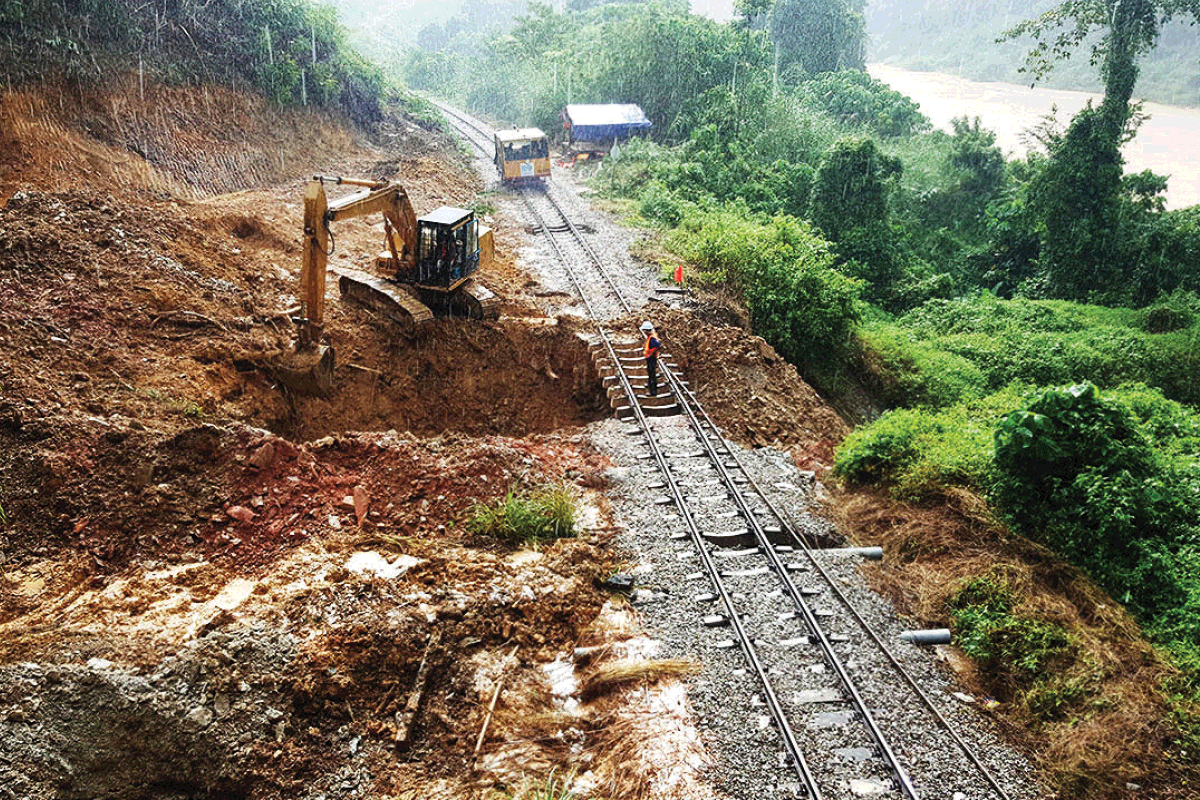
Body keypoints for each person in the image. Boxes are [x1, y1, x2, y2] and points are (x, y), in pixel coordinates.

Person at [641, 320, 661, 397]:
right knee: (651, 374)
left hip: (651, 358)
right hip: (651, 357)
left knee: (652, 375)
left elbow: (657, 345)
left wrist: (651, 354)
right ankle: (652, 390)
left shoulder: (652, 338)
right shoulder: (651, 337)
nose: (644, 332)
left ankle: (653, 392)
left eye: (644, 330)